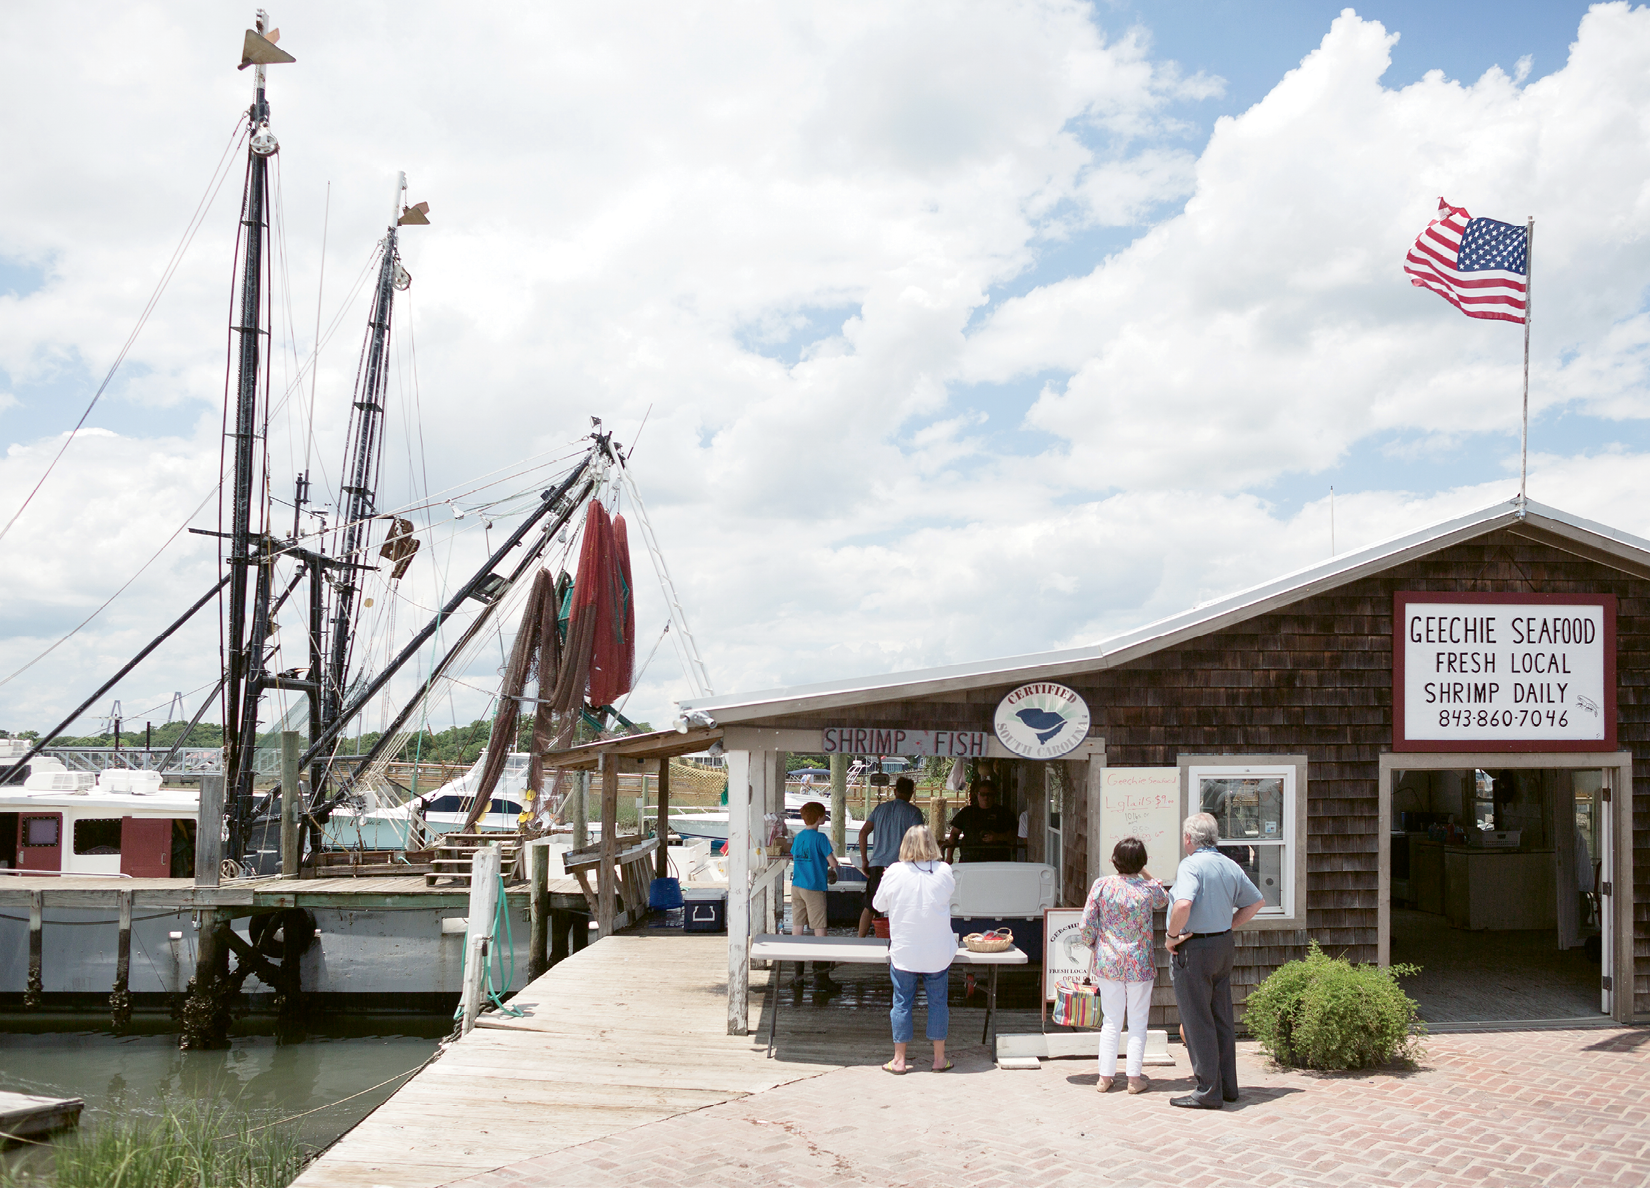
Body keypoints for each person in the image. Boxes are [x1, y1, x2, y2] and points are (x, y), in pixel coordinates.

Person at [1165, 812, 1265, 1110]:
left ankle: (1207, 1090)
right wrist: (1227, 925)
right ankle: (1227, 1086)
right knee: (1221, 1017)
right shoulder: (1229, 864)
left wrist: (1171, 936)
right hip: (1222, 944)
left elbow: (1183, 904)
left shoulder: (1191, 865)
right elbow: (1256, 902)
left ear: (1188, 839)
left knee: (1197, 1020)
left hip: (1194, 948)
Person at [1078, 836, 1169, 1094]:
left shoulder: (1102, 885)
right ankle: (1133, 1079)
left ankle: (1105, 1078)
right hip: (1140, 962)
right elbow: (1163, 899)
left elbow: (1086, 924)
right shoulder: (1148, 889)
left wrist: (1096, 946)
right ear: (1142, 862)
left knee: (1111, 1020)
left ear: (1114, 860)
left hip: (1108, 961)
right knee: (1138, 1021)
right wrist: (1144, 871)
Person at [873, 824, 956, 1074]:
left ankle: (899, 1060)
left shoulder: (895, 872)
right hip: (938, 951)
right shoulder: (944, 870)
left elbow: (878, 904)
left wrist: (888, 877)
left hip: (905, 950)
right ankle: (939, 1059)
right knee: (938, 1003)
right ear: (932, 844)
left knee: (901, 1003)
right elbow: (945, 895)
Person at [857, 776, 927, 937]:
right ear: (911, 793)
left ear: (895, 791)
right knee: (903, 905)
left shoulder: (879, 810)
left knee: (870, 905)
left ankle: (859, 940)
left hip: (878, 864)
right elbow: (919, 840)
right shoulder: (913, 812)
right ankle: (901, 938)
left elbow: (862, 833)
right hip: (903, 867)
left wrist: (864, 859)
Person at [788, 801, 841, 994]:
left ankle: (798, 976)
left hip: (797, 887)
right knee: (820, 929)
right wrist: (835, 866)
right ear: (819, 818)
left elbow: (795, 857)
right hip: (814, 887)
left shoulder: (799, 837)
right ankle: (821, 977)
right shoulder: (821, 838)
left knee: (797, 927)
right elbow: (832, 862)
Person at [945, 778, 1017, 864]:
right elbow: (954, 834)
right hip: (969, 859)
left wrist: (997, 837)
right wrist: (949, 857)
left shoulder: (1004, 813)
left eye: (989, 794)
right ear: (977, 794)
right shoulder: (966, 812)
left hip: (998, 861)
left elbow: (1014, 835)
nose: (986, 797)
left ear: (994, 795)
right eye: (982, 794)